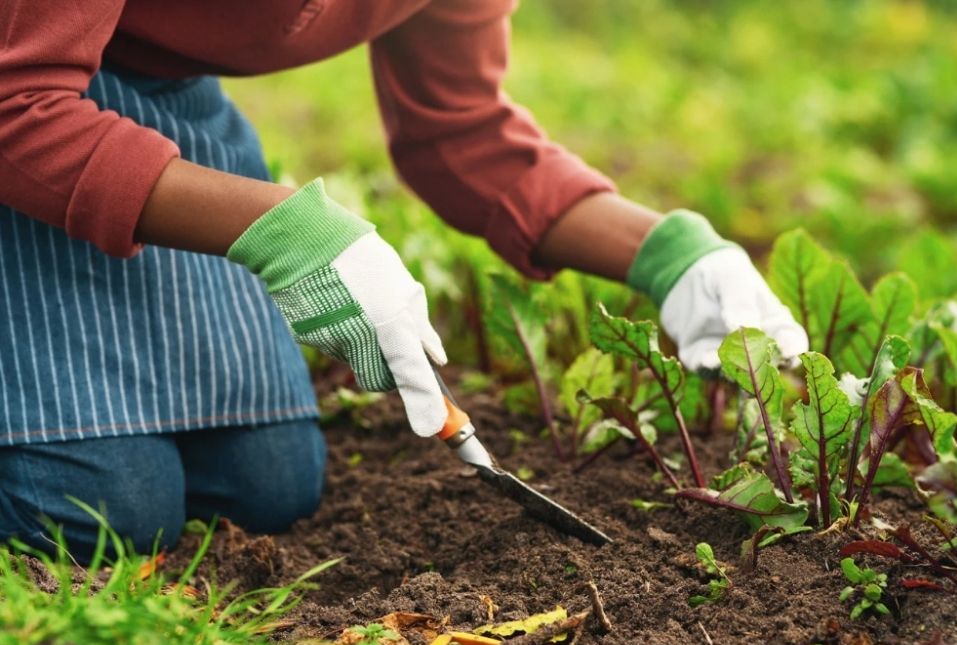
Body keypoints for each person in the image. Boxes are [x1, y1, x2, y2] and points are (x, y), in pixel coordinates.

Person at [0, 0, 808, 557]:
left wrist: (671, 255)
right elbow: (16, 103)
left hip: (161, 119)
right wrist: (286, 229)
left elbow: (462, 132)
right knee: (100, 510)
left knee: (266, 487)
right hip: (29, 109)